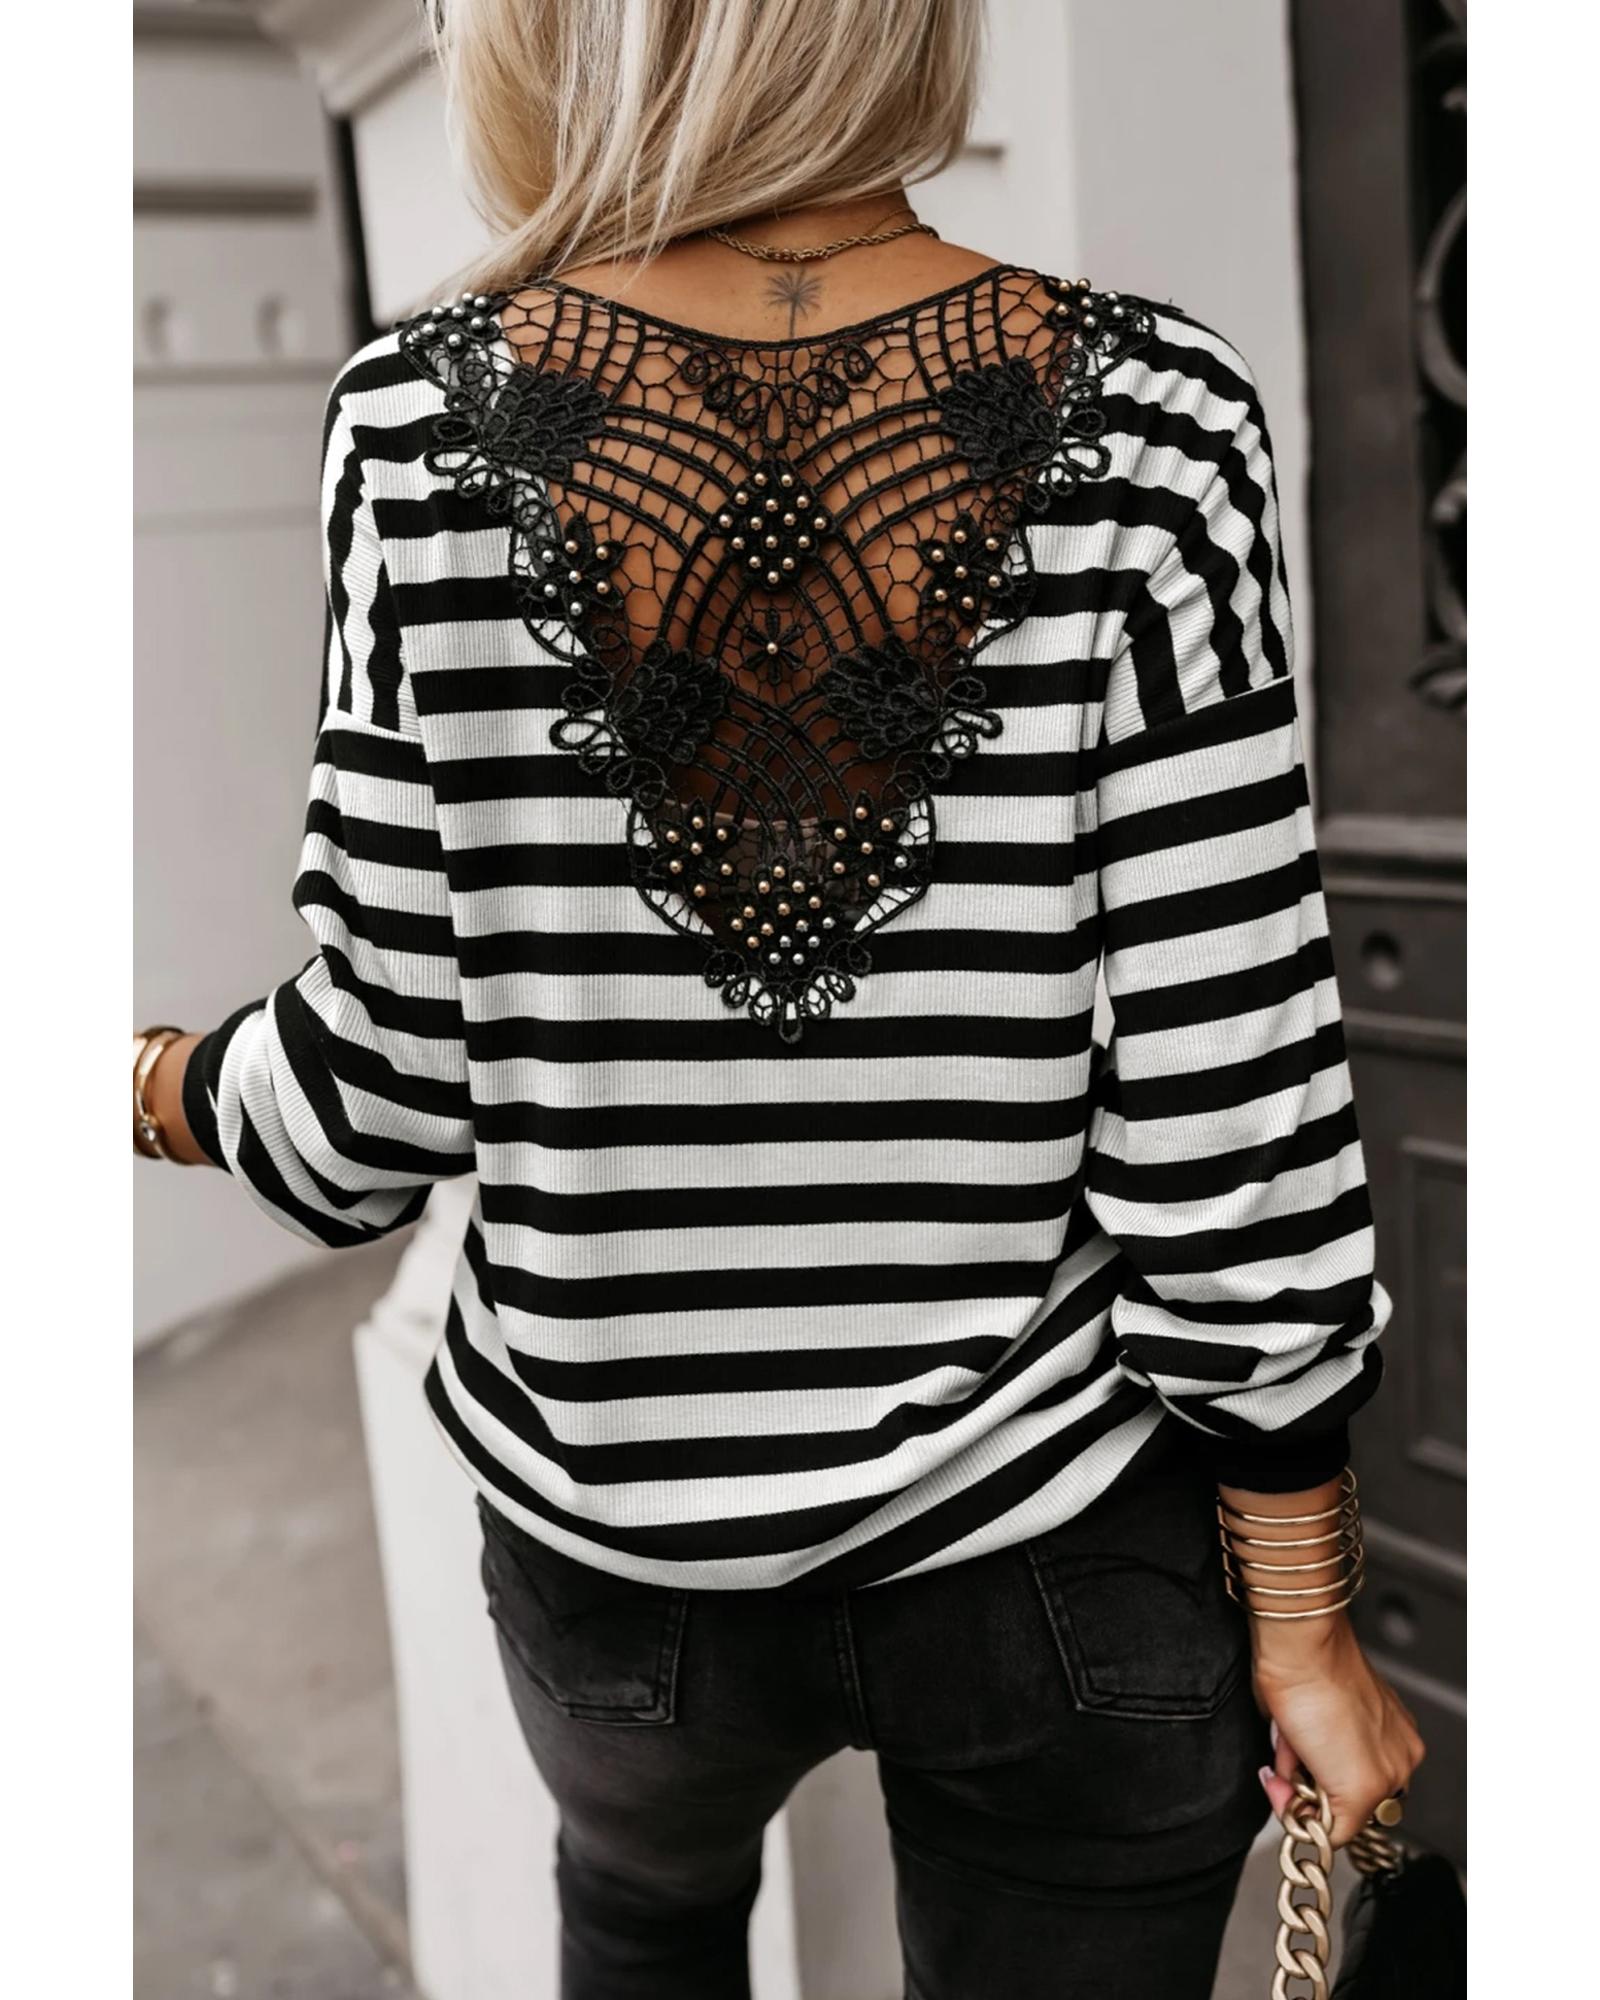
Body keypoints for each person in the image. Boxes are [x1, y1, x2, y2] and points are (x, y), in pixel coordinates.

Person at [132, 2, 1424, 1993]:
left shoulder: (414, 428)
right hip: (1055, 1541)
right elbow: (1226, 1114)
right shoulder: (1158, 418)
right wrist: (1307, 1615)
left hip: (618, 1579)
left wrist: (158, 1083)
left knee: (641, 1924)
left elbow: (371, 1107)